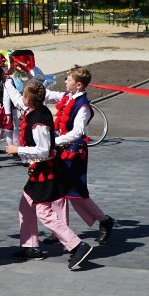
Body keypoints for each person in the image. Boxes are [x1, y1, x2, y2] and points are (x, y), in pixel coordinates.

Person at [5, 80, 95, 270]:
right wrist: (6, 80)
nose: (21, 99)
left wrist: (17, 149)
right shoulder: (34, 109)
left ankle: (77, 246)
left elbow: (44, 150)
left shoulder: (39, 121)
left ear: (28, 99)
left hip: (46, 171)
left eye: (23, 96)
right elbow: (15, 98)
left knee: (44, 212)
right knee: (25, 204)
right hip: (38, 170)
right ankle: (31, 247)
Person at [27, 65, 115, 246]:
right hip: (61, 150)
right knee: (59, 191)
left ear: (79, 85)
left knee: (76, 193)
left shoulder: (82, 106)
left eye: (69, 79)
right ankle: (60, 228)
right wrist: (32, 77)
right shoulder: (67, 97)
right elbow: (47, 95)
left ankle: (104, 220)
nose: (65, 81)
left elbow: (77, 133)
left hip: (74, 152)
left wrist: (54, 142)